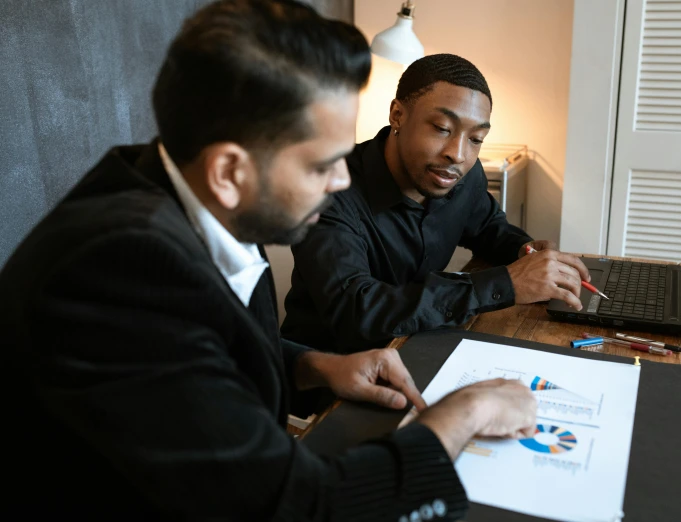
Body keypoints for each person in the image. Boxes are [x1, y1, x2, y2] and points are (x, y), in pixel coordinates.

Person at [0, 1, 539, 520]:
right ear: (230, 171)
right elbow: (305, 507)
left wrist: (314, 364)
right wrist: (464, 415)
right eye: (321, 165)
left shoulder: (179, 188)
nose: (343, 181)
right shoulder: (125, 273)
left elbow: (206, 345)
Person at [282, 53, 590, 353]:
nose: (458, 154)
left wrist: (526, 253)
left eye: (476, 139)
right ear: (397, 115)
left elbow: (488, 228)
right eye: (443, 129)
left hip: (421, 344)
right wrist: (506, 283)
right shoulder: (330, 190)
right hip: (331, 372)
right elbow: (357, 311)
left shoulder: (462, 175)